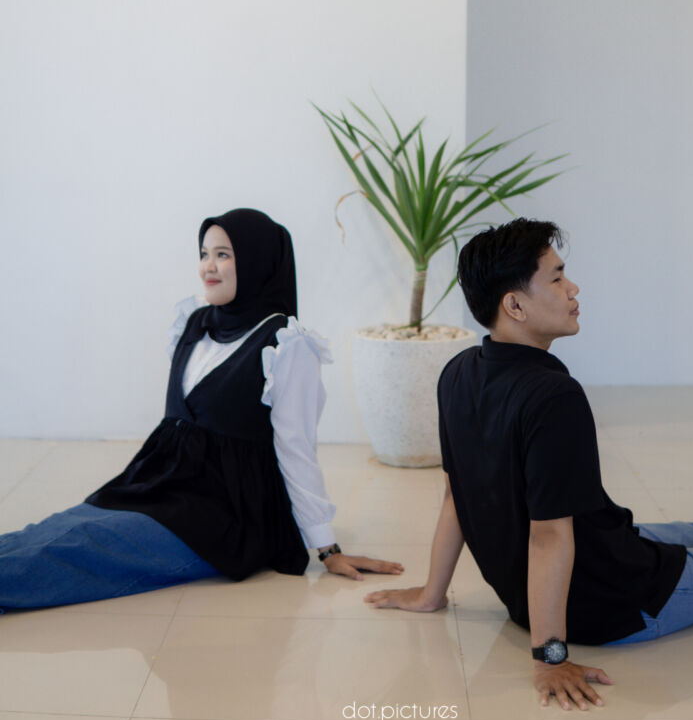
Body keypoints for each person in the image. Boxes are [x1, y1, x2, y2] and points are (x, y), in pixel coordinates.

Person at [365, 217, 693, 711]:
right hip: (614, 601)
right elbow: (549, 536)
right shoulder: (552, 395)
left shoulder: (458, 372)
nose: (573, 288)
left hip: (592, 563)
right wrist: (550, 658)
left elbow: (455, 497)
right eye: (556, 278)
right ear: (514, 305)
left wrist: (433, 594)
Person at [0, 207, 402, 611]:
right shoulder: (195, 322)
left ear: (256, 261)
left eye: (223, 255)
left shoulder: (286, 345)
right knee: (54, 529)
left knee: (80, 544)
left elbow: (296, 448)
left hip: (222, 513)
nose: (207, 267)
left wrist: (326, 547)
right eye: (204, 253)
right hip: (157, 483)